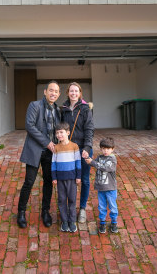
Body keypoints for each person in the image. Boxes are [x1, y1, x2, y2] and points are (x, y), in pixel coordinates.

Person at [17, 81, 61, 229]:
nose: (53, 93)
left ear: (58, 94)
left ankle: (45, 212)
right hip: (35, 149)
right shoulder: (34, 106)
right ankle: (21, 212)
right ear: (45, 91)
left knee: (48, 182)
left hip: (51, 153)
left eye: (56, 91)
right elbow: (29, 126)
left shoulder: (58, 110)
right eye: (51, 90)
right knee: (29, 181)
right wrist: (47, 142)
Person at [60, 82, 94, 224]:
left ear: (80, 93)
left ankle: (82, 209)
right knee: (69, 179)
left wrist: (87, 147)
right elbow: (60, 129)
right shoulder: (63, 109)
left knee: (85, 179)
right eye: (71, 91)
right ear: (68, 93)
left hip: (83, 149)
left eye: (76, 91)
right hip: (68, 149)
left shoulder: (86, 109)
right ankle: (70, 208)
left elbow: (89, 129)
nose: (74, 93)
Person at [51, 122, 81, 232]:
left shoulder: (74, 146)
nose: (59, 135)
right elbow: (53, 163)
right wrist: (54, 177)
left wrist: (78, 176)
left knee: (72, 199)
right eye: (57, 133)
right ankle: (64, 220)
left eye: (61, 132)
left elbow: (78, 162)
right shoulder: (56, 148)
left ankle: (72, 220)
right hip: (60, 179)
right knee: (62, 199)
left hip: (72, 178)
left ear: (68, 133)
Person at [84, 137, 119, 234]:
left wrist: (93, 162)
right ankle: (102, 222)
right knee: (102, 206)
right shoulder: (100, 157)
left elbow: (105, 167)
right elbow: (94, 163)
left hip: (111, 188)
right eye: (103, 148)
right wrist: (88, 159)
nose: (105, 151)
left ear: (112, 149)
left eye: (107, 149)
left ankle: (114, 222)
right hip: (101, 188)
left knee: (112, 206)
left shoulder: (112, 159)